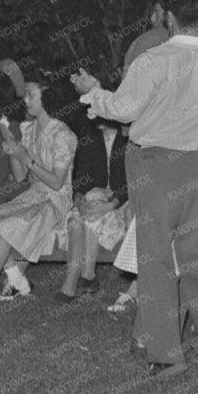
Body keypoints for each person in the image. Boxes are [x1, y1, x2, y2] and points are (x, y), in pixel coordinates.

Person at [73, 0, 198, 379]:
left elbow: (124, 109)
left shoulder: (154, 61)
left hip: (157, 169)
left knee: (156, 263)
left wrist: (93, 91)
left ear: (169, 16)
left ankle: (166, 354)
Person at [0, 70, 77, 304]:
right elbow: (21, 177)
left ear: (47, 97)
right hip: (33, 195)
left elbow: (56, 182)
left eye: (31, 95)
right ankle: (18, 281)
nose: (25, 100)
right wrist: (13, 153)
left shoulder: (63, 134)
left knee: (4, 228)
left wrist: (26, 157)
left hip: (54, 200)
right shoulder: (28, 130)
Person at [60, 113, 130, 302]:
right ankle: (80, 278)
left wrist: (111, 204)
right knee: (76, 218)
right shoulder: (91, 138)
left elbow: (132, 181)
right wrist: (79, 199)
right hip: (95, 200)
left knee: (93, 206)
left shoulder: (129, 137)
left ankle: (84, 277)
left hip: (122, 202)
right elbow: (81, 176)